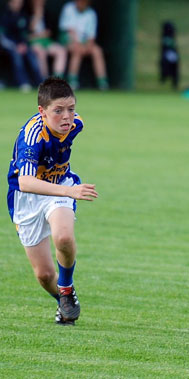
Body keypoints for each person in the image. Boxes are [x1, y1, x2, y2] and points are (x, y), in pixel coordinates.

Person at [7, 77, 98, 325]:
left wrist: (66, 189)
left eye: (70, 108)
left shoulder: (75, 124)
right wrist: (70, 192)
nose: (67, 117)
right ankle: (63, 301)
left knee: (64, 237)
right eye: (58, 111)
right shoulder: (32, 136)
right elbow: (25, 182)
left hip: (60, 186)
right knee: (45, 275)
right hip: (27, 198)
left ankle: (66, 288)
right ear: (42, 111)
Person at [58, 0, 108, 90]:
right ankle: (72, 80)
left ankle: (102, 82)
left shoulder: (91, 13)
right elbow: (69, 30)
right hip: (68, 38)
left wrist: (88, 46)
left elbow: (91, 35)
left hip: (84, 41)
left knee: (97, 51)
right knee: (77, 50)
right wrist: (78, 43)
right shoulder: (69, 8)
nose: (80, 2)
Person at [0, 0, 44, 91]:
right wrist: (15, 46)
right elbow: (4, 37)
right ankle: (23, 83)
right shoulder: (4, 16)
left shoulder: (23, 15)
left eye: (20, 3)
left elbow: (25, 34)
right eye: (16, 2)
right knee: (17, 56)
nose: (18, 5)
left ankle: (41, 83)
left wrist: (24, 44)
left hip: (23, 45)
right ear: (10, 3)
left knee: (32, 56)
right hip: (10, 46)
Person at [29, 0, 67, 78]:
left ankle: (57, 80)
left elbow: (49, 32)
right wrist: (37, 16)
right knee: (41, 52)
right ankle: (44, 80)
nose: (40, 2)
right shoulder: (27, 12)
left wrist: (39, 35)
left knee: (61, 51)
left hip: (46, 42)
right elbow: (29, 34)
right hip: (32, 43)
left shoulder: (46, 13)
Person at [159, 21, 179, 89]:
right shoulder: (166, 37)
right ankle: (164, 78)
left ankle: (173, 82)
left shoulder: (170, 36)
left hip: (171, 54)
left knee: (173, 69)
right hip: (168, 53)